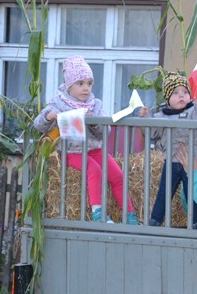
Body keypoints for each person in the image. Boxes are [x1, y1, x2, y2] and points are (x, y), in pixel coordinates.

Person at [34, 55, 138, 224]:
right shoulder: (58, 103)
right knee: (94, 169)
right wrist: (48, 116)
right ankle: (98, 213)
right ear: (69, 86)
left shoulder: (95, 105)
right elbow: (38, 125)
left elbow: (106, 132)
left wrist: (94, 123)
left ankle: (130, 215)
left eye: (89, 83)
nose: (86, 88)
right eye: (80, 83)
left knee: (117, 175)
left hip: (95, 149)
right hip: (71, 151)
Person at [138, 72, 197, 228]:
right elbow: (152, 133)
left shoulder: (194, 111)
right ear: (167, 98)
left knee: (193, 192)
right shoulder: (161, 116)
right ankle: (155, 220)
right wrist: (145, 119)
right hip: (172, 160)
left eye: (185, 92)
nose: (181, 96)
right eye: (175, 93)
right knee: (164, 192)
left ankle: (196, 222)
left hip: (194, 162)